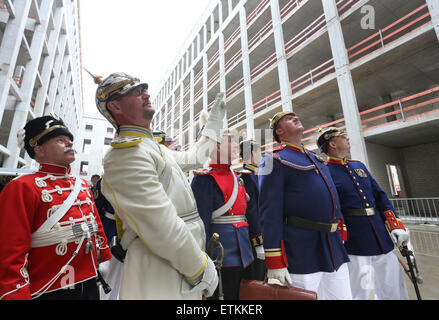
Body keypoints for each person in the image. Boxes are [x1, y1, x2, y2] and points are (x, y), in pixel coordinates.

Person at [91, 72, 222, 299]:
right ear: (116, 106)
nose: (146, 94)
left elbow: (195, 158)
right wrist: (200, 269)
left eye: (144, 89)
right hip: (160, 265)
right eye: (136, 92)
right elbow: (162, 227)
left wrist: (213, 125)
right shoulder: (126, 155)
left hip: (180, 259)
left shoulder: (150, 147)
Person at [0, 116, 112, 300]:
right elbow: (10, 252)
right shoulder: (22, 187)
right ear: (39, 149)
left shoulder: (82, 185)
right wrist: (16, 294)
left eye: (69, 139)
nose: (69, 143)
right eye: (60, 140)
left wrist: (105, 258)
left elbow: (95, 226)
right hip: (48, 288)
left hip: (89, 282)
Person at [259, 111, 352, 300]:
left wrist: (340, 229)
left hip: (332, 246)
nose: (295, 117)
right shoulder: (274, 159)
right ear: (279, 131)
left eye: (295, 116)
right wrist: (275, 259)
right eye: (288, 119)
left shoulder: (315, 159)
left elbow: (332, 197)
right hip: (301, 250)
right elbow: (270, 212)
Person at [317, 127, 410, 300]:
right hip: (354, 241)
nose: (347, 138)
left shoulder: (358, 166)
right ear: (332, 144)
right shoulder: (324, 170)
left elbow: (379, 195)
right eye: (342, 136)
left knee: (393, 288)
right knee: (358, 291)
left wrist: (395, 225)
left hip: (380, 238)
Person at [191, 130, 264, 300]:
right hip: (221, 256)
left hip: (246, 252)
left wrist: (258, 243)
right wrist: (201, 262)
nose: (236, 147)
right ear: (215, 146)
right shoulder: (204, 179)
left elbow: (251, 214)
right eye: (230, 142)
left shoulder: (239, 177)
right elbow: (201, 224)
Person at [238, 138, 266, 281]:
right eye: (259, 151)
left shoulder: (258, 174)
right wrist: (258, 242)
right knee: (258, 278)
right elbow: (251, 211)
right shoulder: (246, 177)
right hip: (255, 237)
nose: (261, 155)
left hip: (266, 231)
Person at [92, 177, 122, 300]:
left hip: (132, 230)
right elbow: (96, 207)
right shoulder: (107, 179)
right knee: (109, 269)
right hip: (111, 228)